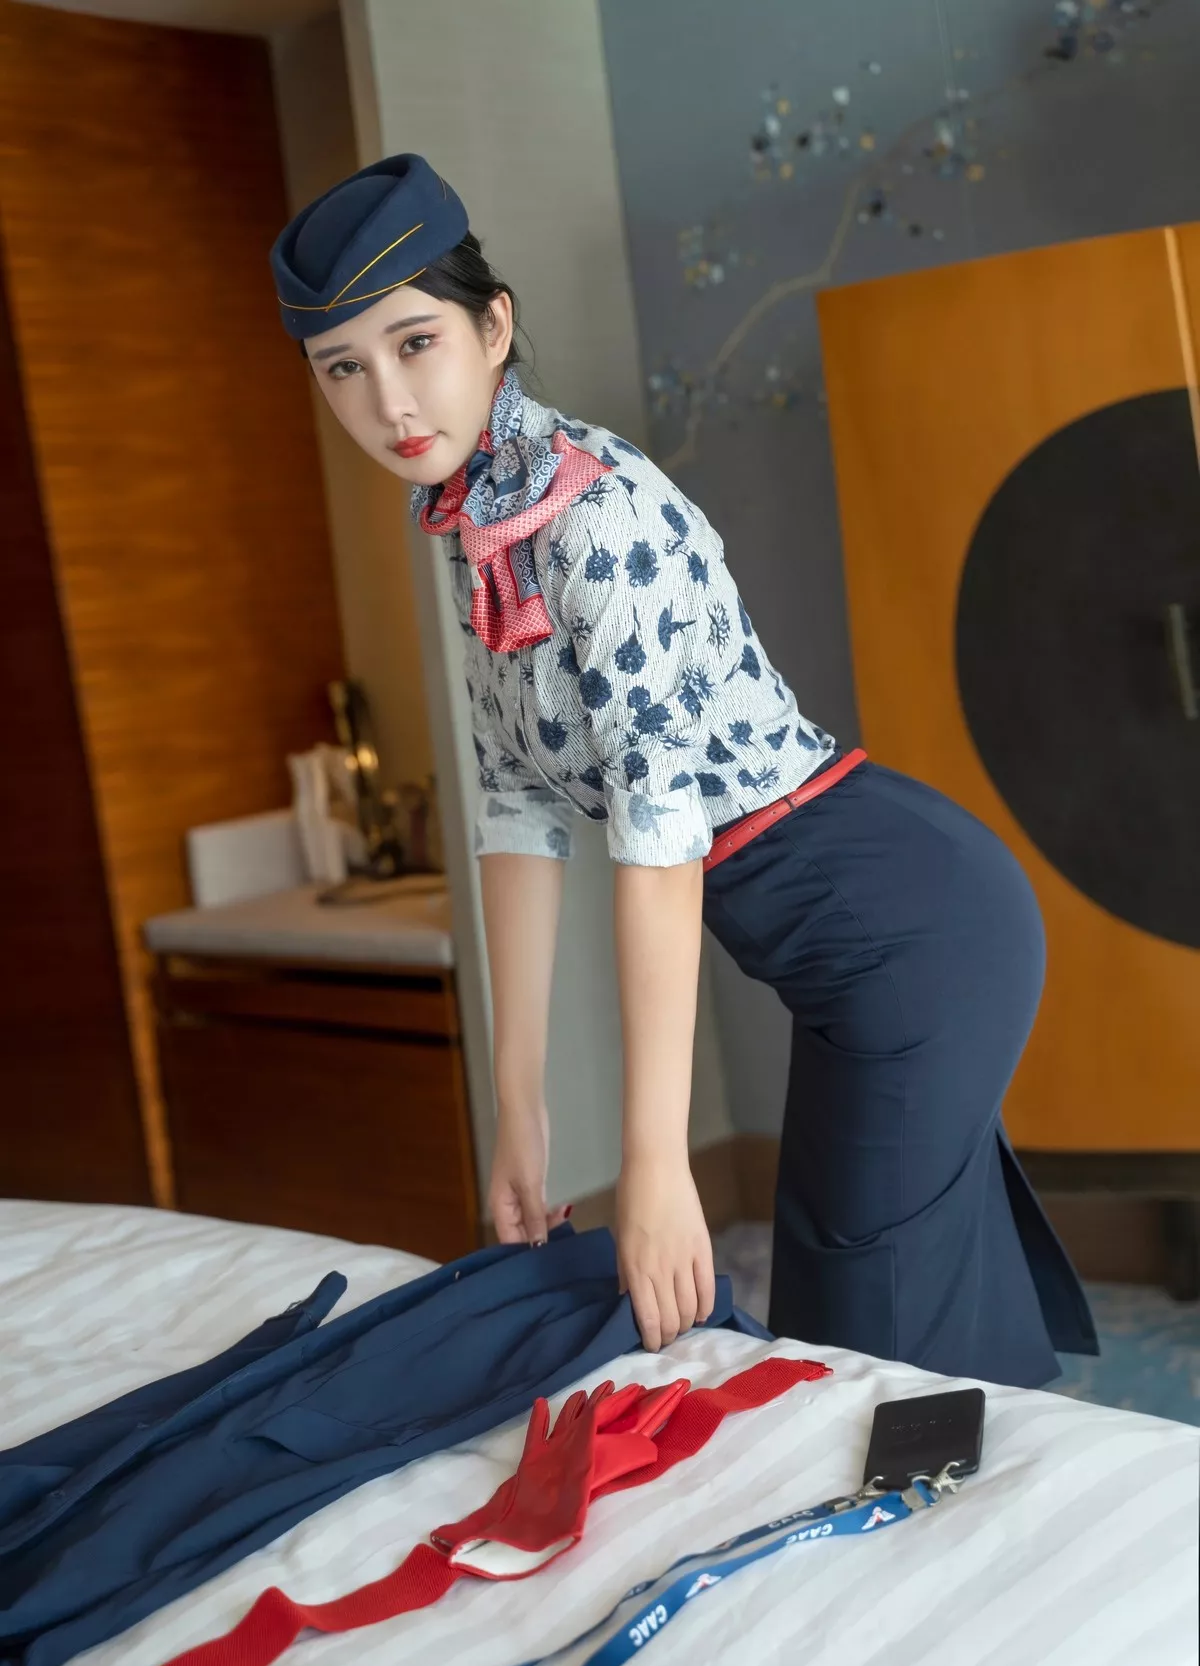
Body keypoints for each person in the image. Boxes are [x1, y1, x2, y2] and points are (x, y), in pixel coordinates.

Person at [270, 154, 1098, 1387]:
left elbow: (660, 848)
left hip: (911, 925)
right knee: (870, 1306)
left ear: (492, 329)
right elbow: (515, 807)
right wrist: (519, 1108)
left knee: (863, 1326)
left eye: (415, 342)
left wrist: (653, 1162)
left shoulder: (593, 515)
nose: (387, 400)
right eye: (343, 367)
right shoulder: (468, 516)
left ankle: (974, 1493)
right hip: (838, 943)